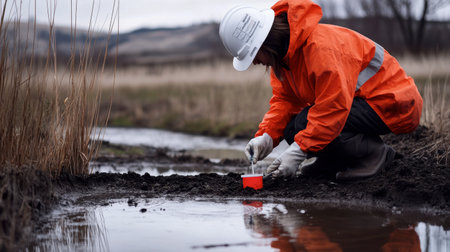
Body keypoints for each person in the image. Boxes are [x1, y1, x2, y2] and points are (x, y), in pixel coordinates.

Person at [219, 0, 423, 180]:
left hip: (393, 103)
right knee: (293, 128)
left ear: (266, 44)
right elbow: (285, 101)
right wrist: (266, 137)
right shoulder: (285, 60)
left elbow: (333, 109)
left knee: (306, 122)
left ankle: (374, 154)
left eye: (253, 55)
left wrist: (299, 151)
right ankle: (333, 162)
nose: (254, 62)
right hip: (359, 103)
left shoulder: (321, 49)